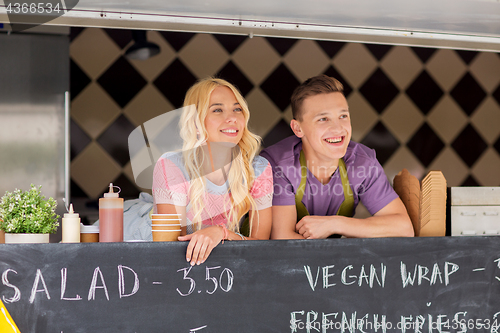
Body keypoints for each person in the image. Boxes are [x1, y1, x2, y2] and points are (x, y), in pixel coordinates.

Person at [260, 75, 414, 239]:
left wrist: (335, 224)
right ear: (298, 128)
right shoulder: (278, 165)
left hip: (325, 261)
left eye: (343, 116)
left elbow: (403, 228)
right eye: (323, 119)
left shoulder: (362, 162)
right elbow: (283, 239)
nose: (338, 128)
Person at [152, 77, 273, 266]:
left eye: (237, 109)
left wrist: (221, 233)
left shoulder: (258, 169)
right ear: (195, 122)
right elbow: (171, 248)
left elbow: (261, 246)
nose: (232, 117)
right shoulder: (172, 166)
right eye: (217, 110)